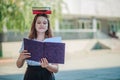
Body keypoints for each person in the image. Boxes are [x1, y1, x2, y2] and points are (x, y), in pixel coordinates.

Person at [16, 14, 58, 80]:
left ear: (48, 26)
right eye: (38, 23)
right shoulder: (27, 42)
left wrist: (47, 66)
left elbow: (56, 69)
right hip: (31, 75)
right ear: (34, 25)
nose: (41, 25)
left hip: (47, 76)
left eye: (44, 23)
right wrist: (21, 58)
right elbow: (18, 65)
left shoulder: (53, 42)